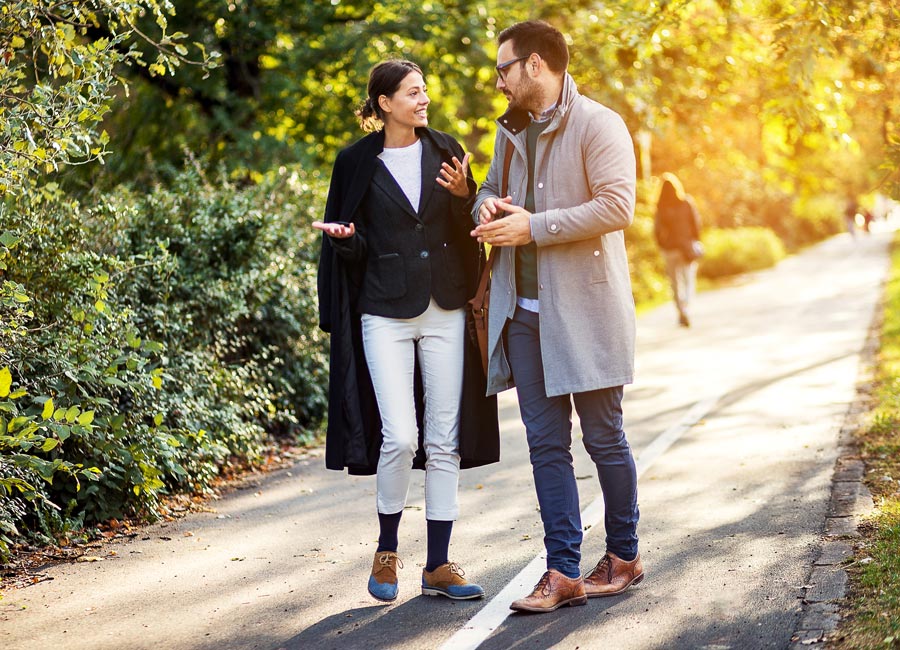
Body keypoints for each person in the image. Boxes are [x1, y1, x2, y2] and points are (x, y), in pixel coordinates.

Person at [471, 21, 642, 613]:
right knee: (546, 447)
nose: (498, 81)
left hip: (586, 314)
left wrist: (534, 228)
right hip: (522, 316)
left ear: (535, 64)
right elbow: (489, 188)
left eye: (504, 69)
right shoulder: (510, 131)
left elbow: (617, 206)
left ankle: (623, 556)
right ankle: (563, 572)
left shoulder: (600, 124)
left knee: (604, 438)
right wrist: (485, 205)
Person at [314, 59, 500, 604]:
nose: (423, 100)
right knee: (399, 436)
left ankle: (438, 565)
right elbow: (352, 245)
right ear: (385, 103)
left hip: (445, 306)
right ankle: (387, 550)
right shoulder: (354, 162)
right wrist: (346, 240)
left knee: (444, 440)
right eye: (413, 93)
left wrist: (465, 195)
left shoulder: (446, 149)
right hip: (383, 311)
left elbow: (469, 229)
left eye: (424, 91)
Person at [654, 172, 702, 327]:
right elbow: (696, 224)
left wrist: (662, 245)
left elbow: (656, 230)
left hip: (669, 250)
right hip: (686, 248)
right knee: (688, 280)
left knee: (674, 283)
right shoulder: (686, 202)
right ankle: (686, 308)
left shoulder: (661, 207)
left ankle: (680, 310)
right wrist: (695, 240)